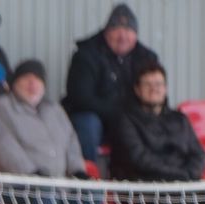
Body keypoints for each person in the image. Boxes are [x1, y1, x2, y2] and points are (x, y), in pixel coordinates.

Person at [0, 60, 99, 204]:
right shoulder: (1, 107)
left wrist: (78, 171)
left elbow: (71, 142)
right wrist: (33, 174)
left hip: (57, 186)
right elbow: (3, 147)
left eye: (37, 79)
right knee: (44, 194)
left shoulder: (55, 110)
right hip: (12, 186)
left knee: (91, 193)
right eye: (26, 78)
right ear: (15, 83)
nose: (32, 83)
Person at [109, 62, 205, 204]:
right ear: (137, 89)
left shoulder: (180, 119)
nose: (154, 89)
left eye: (159, 84)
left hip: (182, 183)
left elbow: (197, 154)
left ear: (166, 88)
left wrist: (190, 175)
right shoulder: (125, 120)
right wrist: (180, 176)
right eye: (148, 84)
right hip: (143, 187)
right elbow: (139, 158)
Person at [61, 3, 159, 162]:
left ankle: (149, 178)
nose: (123, 36)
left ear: (136, 35)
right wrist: (119, 114)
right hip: (97, 119)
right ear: (106, 32)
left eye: (129, 31)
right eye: (117, 29)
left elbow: (155, 94)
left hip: (130, 119)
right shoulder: (86, 54)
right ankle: (86, 179)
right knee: (87, 123)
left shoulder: (147, 58)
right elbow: (80, 99)